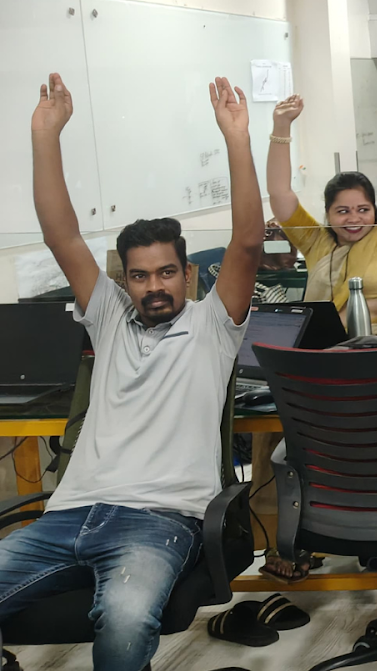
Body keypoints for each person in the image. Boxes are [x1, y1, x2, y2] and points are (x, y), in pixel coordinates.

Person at [0, 75, 262, 671]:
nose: (154, 286)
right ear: (126, 282)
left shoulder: (213, 325)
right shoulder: (110, 320)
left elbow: (247, 243)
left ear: (187, 275)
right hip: (68, 515)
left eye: (166, 273)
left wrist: (237, 140)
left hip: (157, 521)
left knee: (124, 619)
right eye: (140, 276)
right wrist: (45, 136)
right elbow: (61, 234)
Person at [268, 87, 377, 337]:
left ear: (375, 211)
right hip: (319, 347)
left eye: (363, 209)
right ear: (328, 214)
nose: (354, 218)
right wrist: (281, 127)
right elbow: (279, 193)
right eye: (343, 211)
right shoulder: (316, 242)